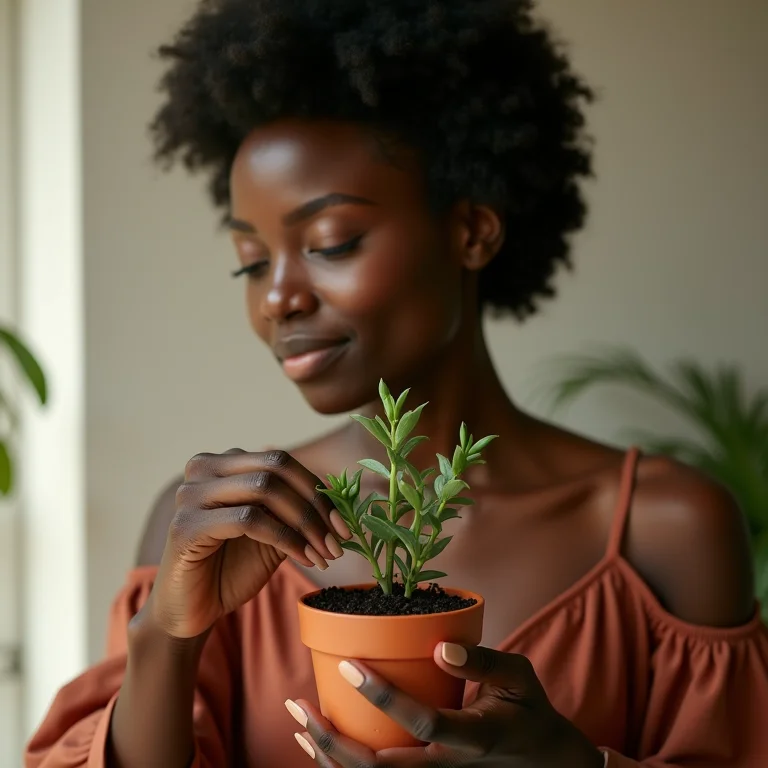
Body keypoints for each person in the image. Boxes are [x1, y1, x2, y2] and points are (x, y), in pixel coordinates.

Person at [26, 1, 768, 766]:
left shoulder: (668, 530)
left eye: (330, 242)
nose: (278, 296)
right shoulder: (218, 530)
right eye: (251, 262)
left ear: (472, 231)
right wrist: (164, 638)